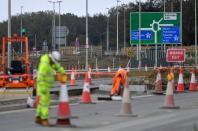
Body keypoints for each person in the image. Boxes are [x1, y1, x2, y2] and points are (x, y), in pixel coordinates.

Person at [35, 51, 66, 126]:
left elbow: (57, 66)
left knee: (41, 103)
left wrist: (62, 72)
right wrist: (43, 88)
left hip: (46, 85)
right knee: (45, 103)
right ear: (52, 58)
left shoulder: (50, 62)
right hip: (42, 86)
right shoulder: (45, 65)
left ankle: (38, 117)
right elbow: (40, 77)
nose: (54, 63)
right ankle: (44, 119)